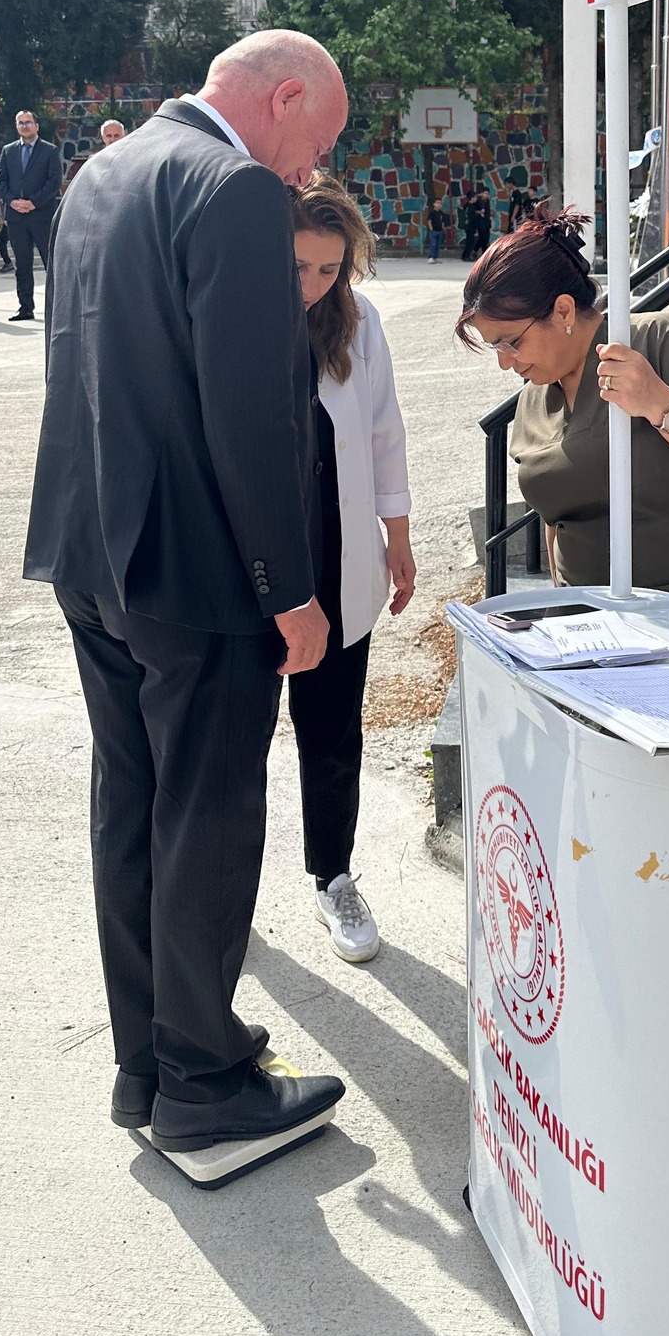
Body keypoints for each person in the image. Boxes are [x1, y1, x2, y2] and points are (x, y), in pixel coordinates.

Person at [23, 29, 350, 1161]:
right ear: (286, 95)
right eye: (318, 141)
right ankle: (206, 1088)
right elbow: (252, 414)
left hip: (93, 551)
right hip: (198, 571)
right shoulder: (236, 189)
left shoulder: (99, 174)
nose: (311, 170)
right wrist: (291, 590)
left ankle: (149, 1064)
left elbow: (81, 362)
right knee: (207, 818)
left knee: (132, 806)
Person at [457, 207, 669, 644]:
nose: (505, 362)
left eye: (511, 342)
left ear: (563, 311)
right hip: (587, 630)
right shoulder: (533, 397)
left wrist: (660, 403)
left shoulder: (655, 342)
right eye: (496, 348)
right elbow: (555, 521)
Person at [288, 173, 415, 963]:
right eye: (299, 266)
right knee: (230, 740)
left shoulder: (358, 324)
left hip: (339, 553)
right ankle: (216, 892)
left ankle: (332, 876)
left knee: (332, 729)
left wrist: (397, 539)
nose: (313, 283)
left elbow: (383, 432)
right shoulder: (237, 314)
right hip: (255, 562)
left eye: (329, 268)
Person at [0, 109, 61, 320]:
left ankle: (57, 308)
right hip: (16, 217)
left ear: (36, 126)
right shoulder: (8, 151)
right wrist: (12, 201)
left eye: (28, 122)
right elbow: (1, 180)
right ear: (16, 126)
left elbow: (54, 182)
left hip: (41, 215)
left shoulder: (49, 151)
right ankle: (25, 307)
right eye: (20, 123)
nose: (24, 126)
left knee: (50, 262)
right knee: (22, 265)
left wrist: (33, 203)